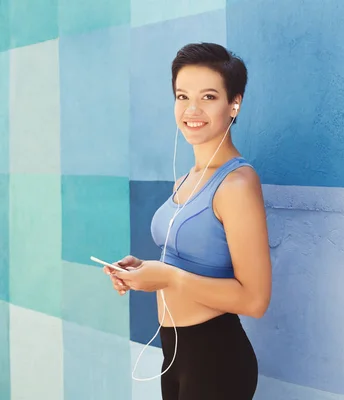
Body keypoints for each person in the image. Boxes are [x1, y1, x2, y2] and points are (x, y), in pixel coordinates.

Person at [103, 42, 272, 399]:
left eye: (208, 97)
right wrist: (143, 271)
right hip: (176, 354)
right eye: (182, 96)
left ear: (234, 103)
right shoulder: (186, 179)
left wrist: (166, 277)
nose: (192, 109)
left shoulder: (237, 183)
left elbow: (255, 299)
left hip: (216, 357)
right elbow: (186, 259)